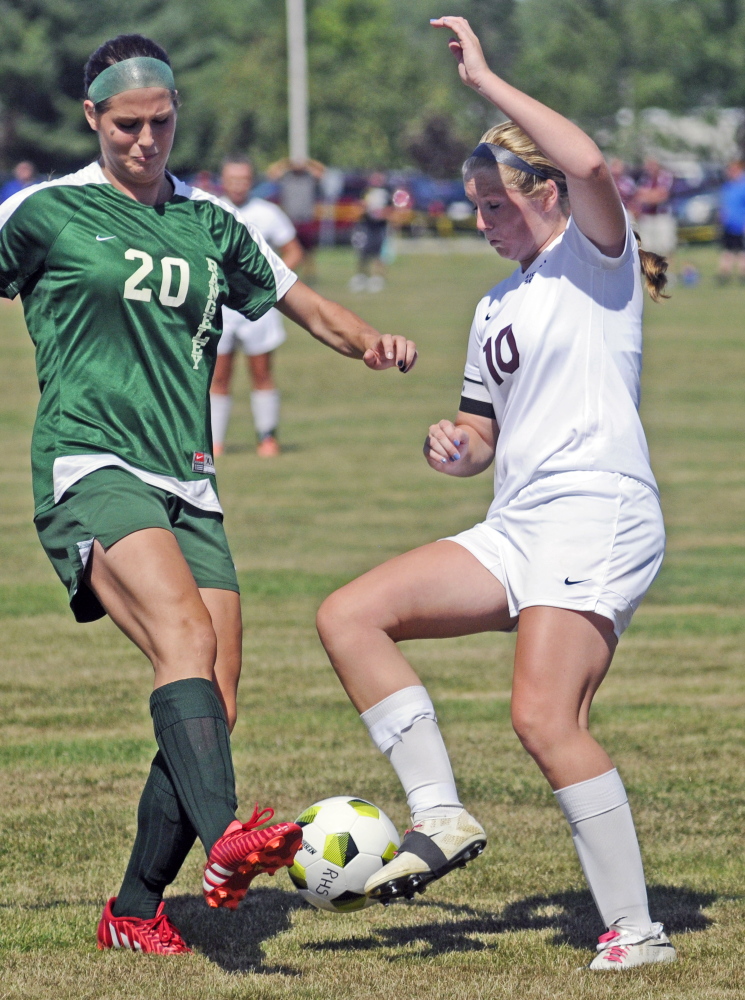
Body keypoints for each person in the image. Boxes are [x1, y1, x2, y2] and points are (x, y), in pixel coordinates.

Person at [0, 34, 417, 955]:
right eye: (127, 125)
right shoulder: (45, 212)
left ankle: (135, 911)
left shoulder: (214, 223)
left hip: (189, 479)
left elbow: (306, 306)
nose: (146, 140)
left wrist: (373, 342)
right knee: (184, 637)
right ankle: (230, 836)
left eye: (160, 122)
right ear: (93, 120)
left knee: (213, 701)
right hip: (90, 463)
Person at [316, 16, 676, 972]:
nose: (482, 221)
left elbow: (593, 160)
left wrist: (484, 84)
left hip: (596, 511)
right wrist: (457, 444)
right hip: (516, 522)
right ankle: (437, 811)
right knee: (349, 615)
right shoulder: (494, 305)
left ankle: (635, 934)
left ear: (544, 195)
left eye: (497, 204)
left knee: (543, 719)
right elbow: (483, 431)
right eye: (473, 206)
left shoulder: (595, 259)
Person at [210, 155, 304, 457]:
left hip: (257, 310)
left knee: (261, 373)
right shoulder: (209, 210)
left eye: (244, 179)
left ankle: (267, 437)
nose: (238, 185)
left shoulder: (268, 213)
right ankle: (214, 442)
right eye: (232, 179)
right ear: (222, 181)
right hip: (219, 308)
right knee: (218, 376)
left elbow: (293, 251)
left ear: (252, 181)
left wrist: (269, 284)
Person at [350, 172, 392, 292]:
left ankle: (377, 277)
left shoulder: (386, 192)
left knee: (379, 253)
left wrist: (382, 214)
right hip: (366, 225)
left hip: (380, 226)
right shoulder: (366, 191)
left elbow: (390, 209)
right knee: (363, 252)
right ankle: (361, 276)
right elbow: (358, 206)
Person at [633, 157, 677, 258]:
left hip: (662, 216)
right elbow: (637, 195)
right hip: (647, 216)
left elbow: (662, 195)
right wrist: (651, 195)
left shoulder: (666, 177)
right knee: (648, 248)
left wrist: (647, 196)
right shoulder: (644, 179)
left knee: (666, 247)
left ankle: (667, 272)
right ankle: (652, 272)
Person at [717, 160, 745, 283]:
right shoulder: (727, 186)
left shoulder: (743, 185)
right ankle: (724, 275)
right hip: (728, 225)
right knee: (727, 250)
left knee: (741, 251)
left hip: (741, 224)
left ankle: (742, 274)